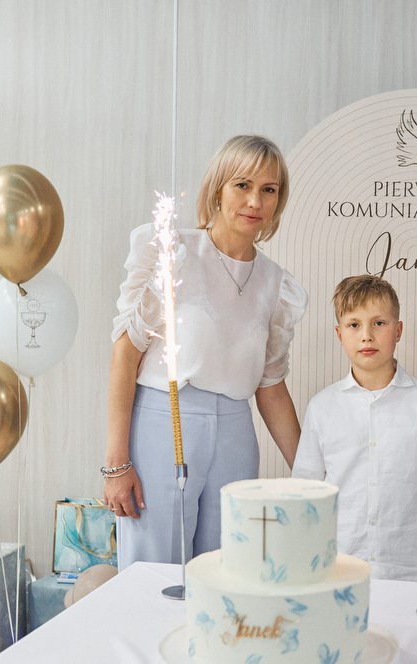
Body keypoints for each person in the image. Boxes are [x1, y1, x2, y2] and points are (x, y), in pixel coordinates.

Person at [104, 135, 307, 570]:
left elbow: (271, 386)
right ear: (218, 188)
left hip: (236, 433)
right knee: (152, 572)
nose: (255, 201)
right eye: (242, 185)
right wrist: (116, 465)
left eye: (269, 190)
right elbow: (126, 354)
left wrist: (311, 476)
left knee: (227, 574)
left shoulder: (276, 283)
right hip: (163, 423)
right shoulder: (173, 252)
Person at [292, 274, 417, 583]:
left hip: (409, 575)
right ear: (339, 334)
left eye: (379, 323)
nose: (367, 336)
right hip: (338, 573)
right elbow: (305, 496)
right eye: (354, 325)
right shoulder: (322, 407)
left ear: (398, 330)